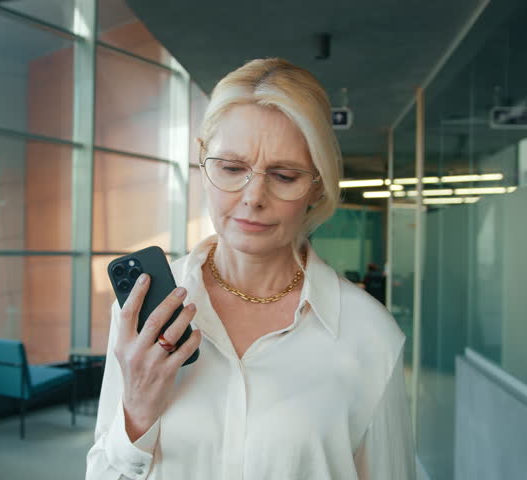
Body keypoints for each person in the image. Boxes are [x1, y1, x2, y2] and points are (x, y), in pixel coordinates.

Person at [86, 58, 415, 479]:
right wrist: (136, 412)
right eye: (232, 168)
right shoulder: (144, 312)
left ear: (316, 184)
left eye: (283, 174)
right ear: (203, 162)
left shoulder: (368, 335)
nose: (253, 196)